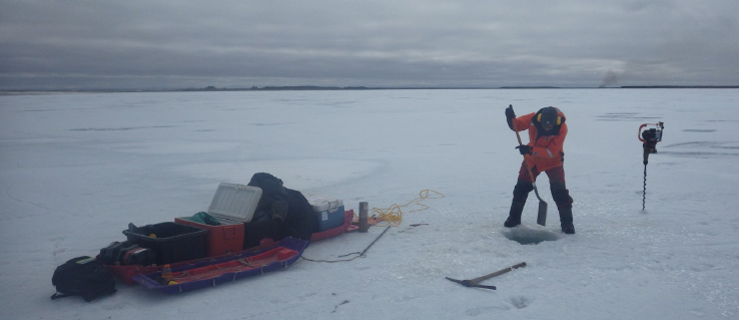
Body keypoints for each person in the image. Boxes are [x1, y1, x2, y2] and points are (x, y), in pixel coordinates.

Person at [504, 105, 575, 234]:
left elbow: (552, 152)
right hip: (531, 161)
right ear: (541, 120)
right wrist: (510, 118)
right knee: (521, 188)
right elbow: (517, 126)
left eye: (550, 126)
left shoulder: (562, 128)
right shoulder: (533, 118)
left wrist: (530, 150)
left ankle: (567, 223)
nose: (547, 128)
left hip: (553, 162)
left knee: (559, 192)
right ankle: (514, 218)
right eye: (545, 125)